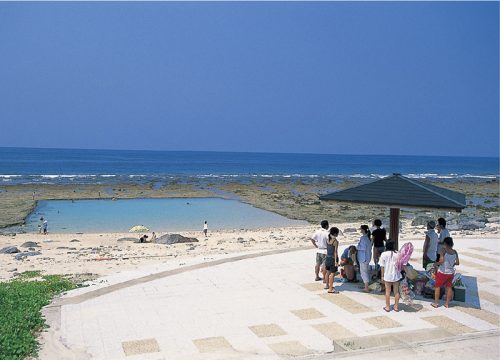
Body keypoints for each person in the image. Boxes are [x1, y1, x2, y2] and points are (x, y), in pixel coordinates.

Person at [432, 237, 459, 308]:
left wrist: (435, 264)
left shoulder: (443, 250)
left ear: (445, 243)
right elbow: (458, 263)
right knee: (449, 288)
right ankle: (447, 304)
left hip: (442, 272)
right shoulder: (455, 252)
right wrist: (452, 264)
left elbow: (441, 261)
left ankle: (436, 303)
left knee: (437, 287)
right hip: (451, 273)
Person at [379, 241, 402, 312]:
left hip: (387, 275)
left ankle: (388, 307)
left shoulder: (383, 254)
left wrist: (382, 276)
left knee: (387, 292)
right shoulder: (398, 254)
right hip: (396, 275)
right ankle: (396, 307)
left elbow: (382, 266)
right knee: (396, 292)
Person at [357, 225, 372, 292]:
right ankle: (366, 285)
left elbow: (363, 248)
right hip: (367, 256)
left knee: (363, 272)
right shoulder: (369, 238)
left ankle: (366, 287)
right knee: (365, 271)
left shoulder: (363, 238)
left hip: (363, 257)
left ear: (363, 230)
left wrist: (357, 247)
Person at [325, 227, 340, 293]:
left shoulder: (328, 239)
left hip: (327, 257)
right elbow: (335, 252)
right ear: (335, 233)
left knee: (327, 272)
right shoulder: (335, 241)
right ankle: (331, 289)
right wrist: (336, 261)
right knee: (332, 274)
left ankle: (327, 285)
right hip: (332, 258)